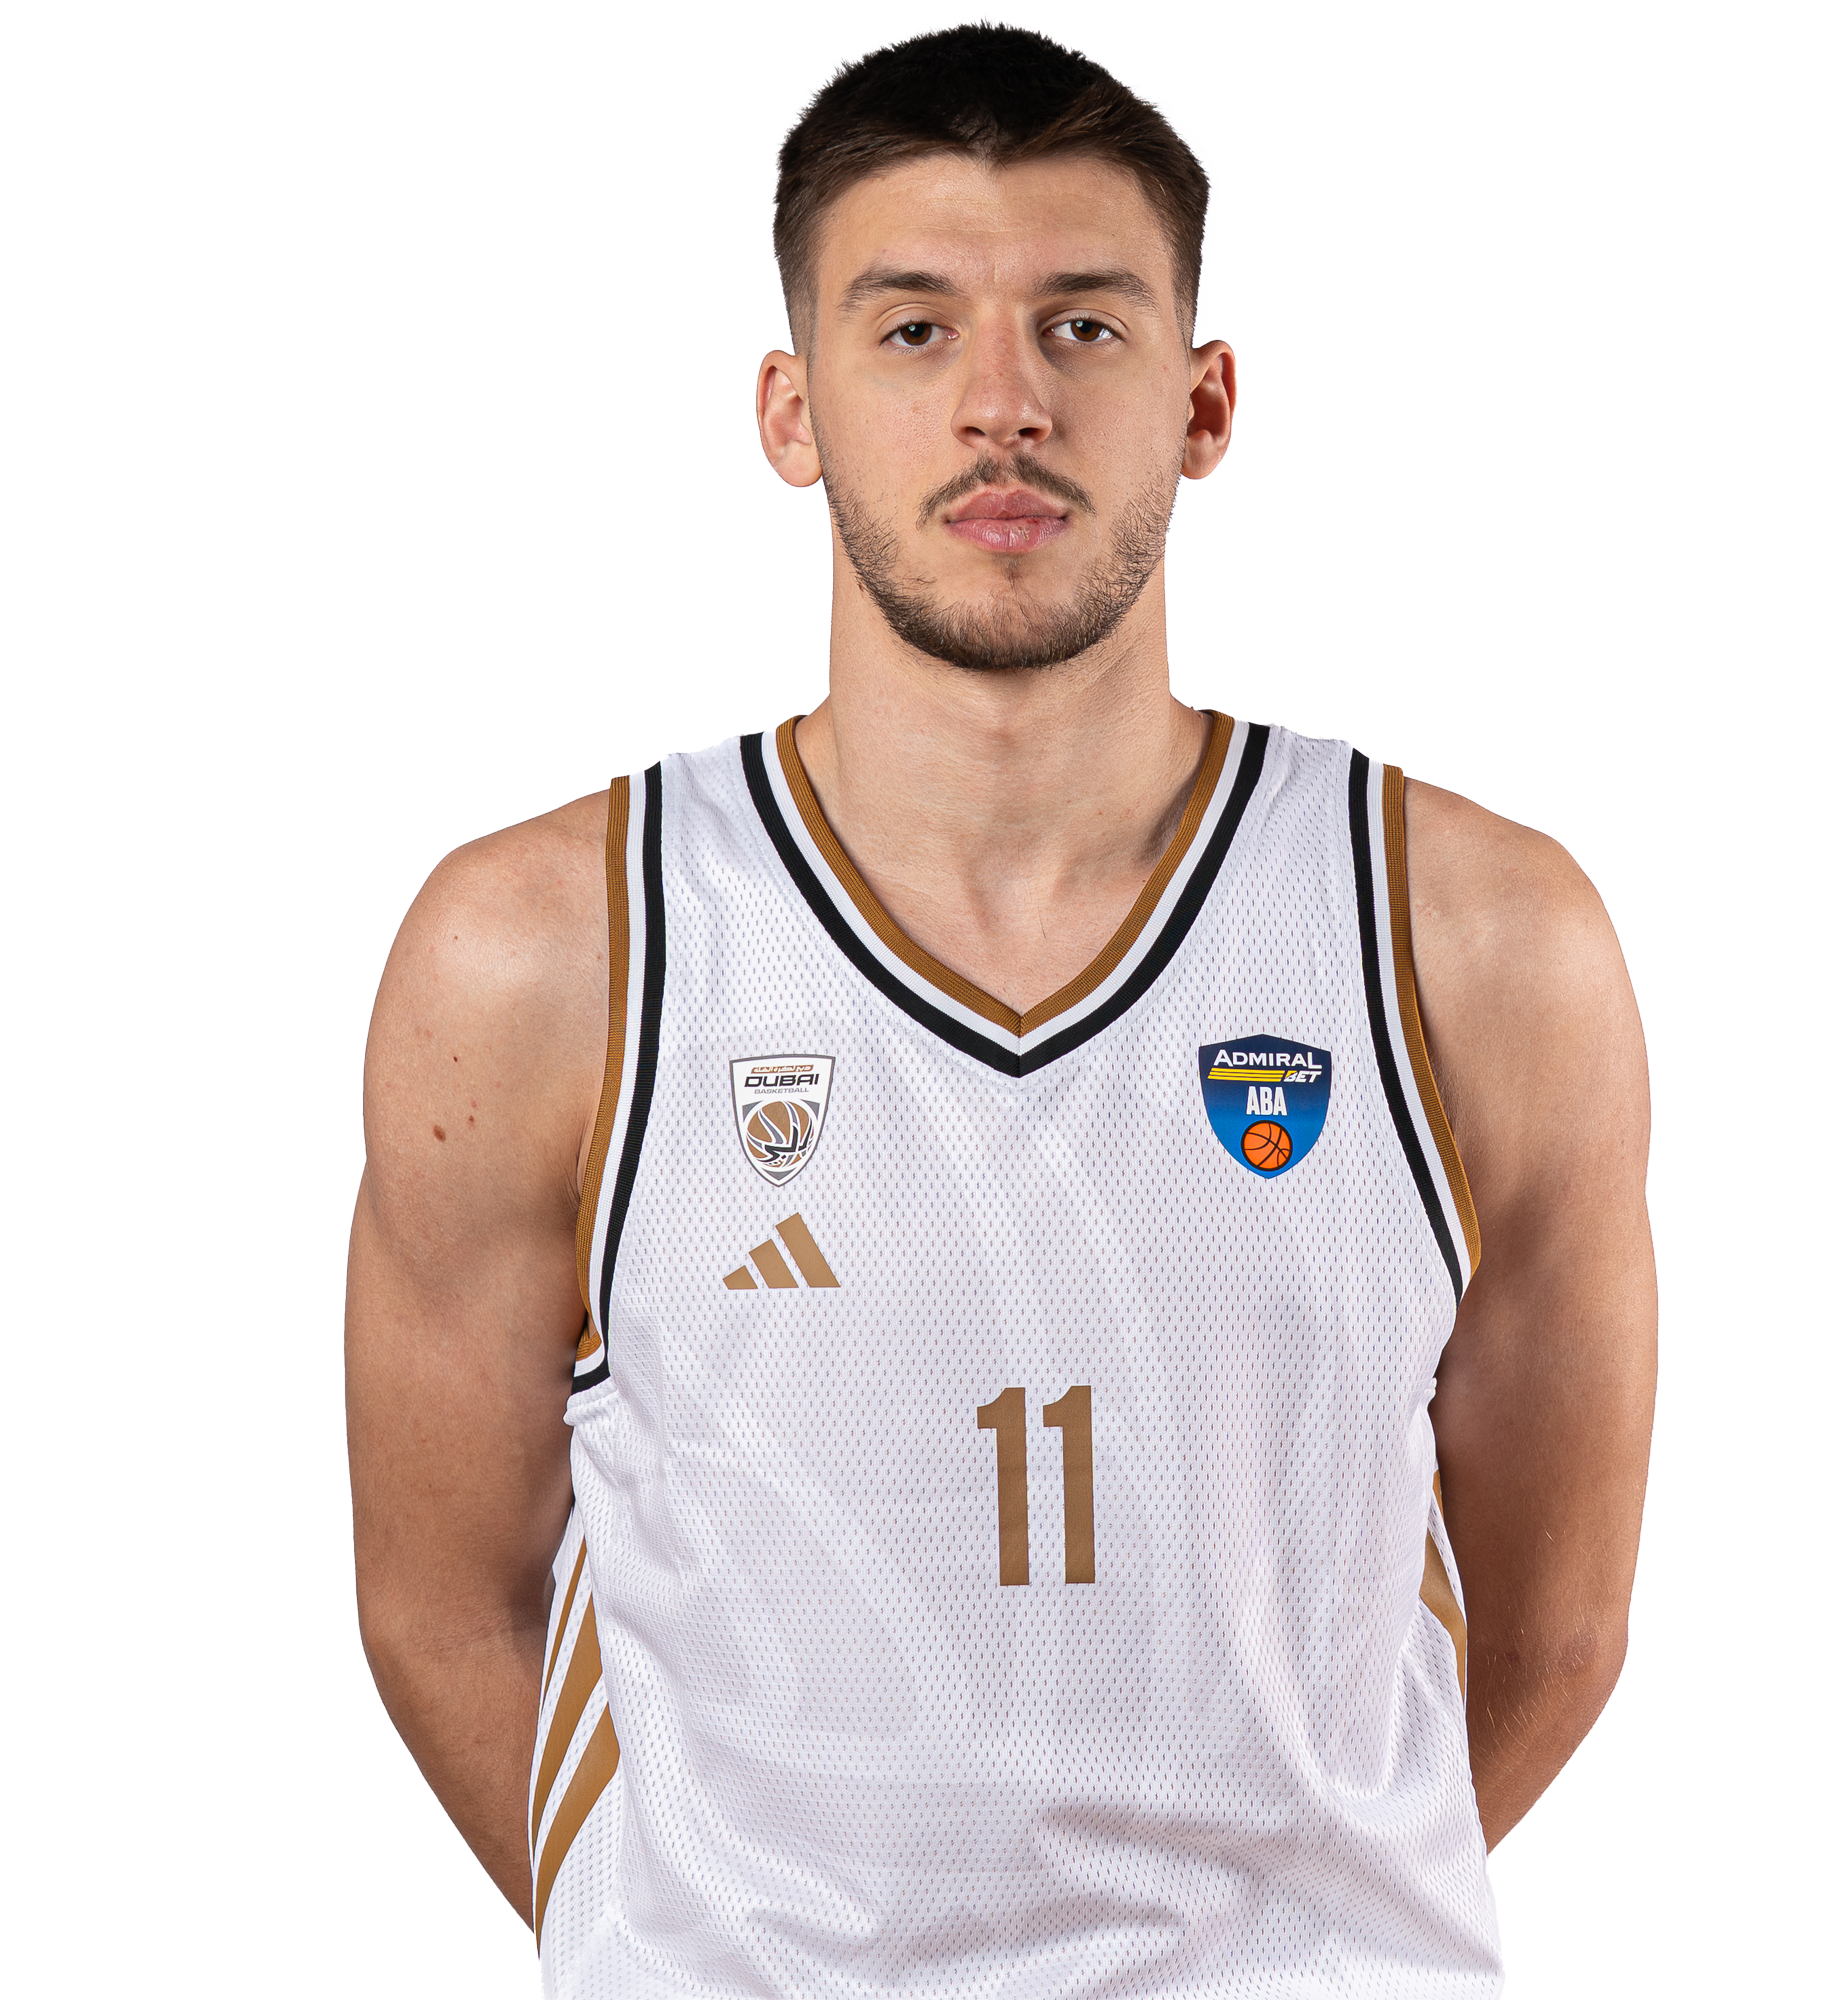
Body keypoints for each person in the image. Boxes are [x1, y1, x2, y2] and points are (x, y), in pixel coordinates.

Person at [347, 21, 1655, 1997]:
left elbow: (1559, 1631)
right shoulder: (546, 953)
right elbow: (439, 1601)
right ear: (791, 407)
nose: (1002, 403)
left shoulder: (1475, 943)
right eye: (912, 330)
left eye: (1081, 326)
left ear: (1203, 401)